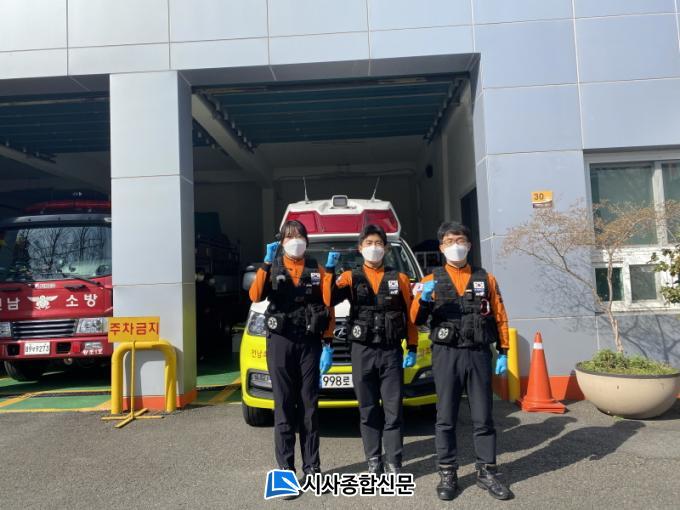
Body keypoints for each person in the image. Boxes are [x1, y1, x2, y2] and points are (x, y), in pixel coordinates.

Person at [411, 221, 512, 501]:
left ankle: (487, 472)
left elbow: (500, 316)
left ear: (469, 245)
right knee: (445, 417)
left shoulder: (486, 278)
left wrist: (504, 350)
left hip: (478, 353)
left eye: (460, 240)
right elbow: (415, 319)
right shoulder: (429, 280)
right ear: (441, 247)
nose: (456, 246)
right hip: (447, 354)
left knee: (483, 416)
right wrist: (424, 300)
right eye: (449, 241)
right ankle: (447, 472)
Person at [249, 220, 335, 494]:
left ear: (307, 241)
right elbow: (255, 295)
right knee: (284, 406)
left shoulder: (316, 269)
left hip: (309, 343)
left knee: (309, 407)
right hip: (281, 342)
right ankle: (286, 472)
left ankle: (313, 469)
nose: (295, 241)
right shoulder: (273, 267)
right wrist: (265, 263)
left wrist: (328, 343)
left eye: (299, 236)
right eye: (289, 237)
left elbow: (328, 305)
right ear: (281, 242)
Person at [324, 224, 418, 474]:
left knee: (393, 410)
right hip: (362, 350)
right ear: (360, 248)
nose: (373, 248)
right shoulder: (350, 277)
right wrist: (330, 270)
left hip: (390, 351)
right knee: (367, 409)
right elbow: (328, 299)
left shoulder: (400, 279)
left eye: (378, 244)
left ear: (385, 248)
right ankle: (374, 459)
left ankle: (394, 461)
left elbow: (410, 316)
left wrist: (413, 346)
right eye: (368, 244)